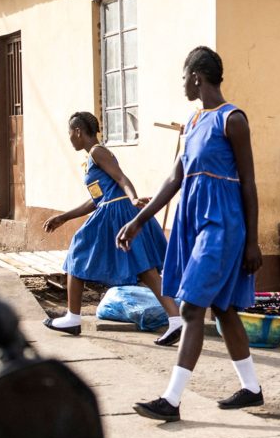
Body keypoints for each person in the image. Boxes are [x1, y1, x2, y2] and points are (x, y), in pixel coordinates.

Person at [117, 46, 264, 422]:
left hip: (223, 223)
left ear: (197, 76)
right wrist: (139, 220)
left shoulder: (233, 120)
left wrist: (253, 240)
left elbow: (248, 183)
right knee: (224, 308)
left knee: (192, 307)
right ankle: (252, 389)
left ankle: (172, 399)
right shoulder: (195, 120)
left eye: (184, 76)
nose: (182, 83)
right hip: (193, 220)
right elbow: (175, 178)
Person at [41, 111, 184, 346]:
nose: (69, 138)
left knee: (77, 253)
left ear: (78, 131)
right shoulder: (91, 159)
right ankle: (175, 319)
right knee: (144, 267)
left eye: (70, 133)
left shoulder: (98, 152)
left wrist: (134, 198)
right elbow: (97, 200)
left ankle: (72, 317)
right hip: (112, 209)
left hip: (117, 213)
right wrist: (64, 217)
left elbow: (122, 178)